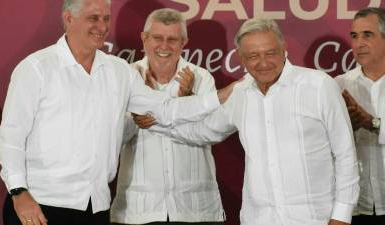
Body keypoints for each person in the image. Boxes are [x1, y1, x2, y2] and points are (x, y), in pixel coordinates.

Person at [0, 1, 232, 225]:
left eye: (106, 18)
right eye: (93, 18)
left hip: (96, 207)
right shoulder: (37, 68)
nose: (102, 27)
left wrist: (220, 96)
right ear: (68, 19)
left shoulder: (119, 71)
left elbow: (164, 108)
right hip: (40, 203)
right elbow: (11, 136)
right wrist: (18, 192)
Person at [148, 18, 360, 225]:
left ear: (284, 48)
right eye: (253, 56)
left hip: (315, 218)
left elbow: (345, 154)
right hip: (258, 218)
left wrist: (341, 216)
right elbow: (204, 131)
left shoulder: (319, 86)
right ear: (240, 57)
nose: (263, 63)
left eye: (270, 53)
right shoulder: (241, 93)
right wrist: (154, 123)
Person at [109, 8, 225, 225]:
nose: (164, 46)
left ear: (184, 42)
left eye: (172, 40)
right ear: (144, 38)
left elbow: (207, 135)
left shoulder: (201, 78)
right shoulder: (124, 78)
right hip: (137, 211)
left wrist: (186, 99)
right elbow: (113, 139)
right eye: (157, 38)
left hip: (196, 210)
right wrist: (137, 117)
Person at [335, 7, 385, 225]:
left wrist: (373, 123)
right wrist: (346, 130)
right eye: (354, 36)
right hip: (356, 205)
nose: (358, 43)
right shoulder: (338, 86)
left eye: (368, 35)